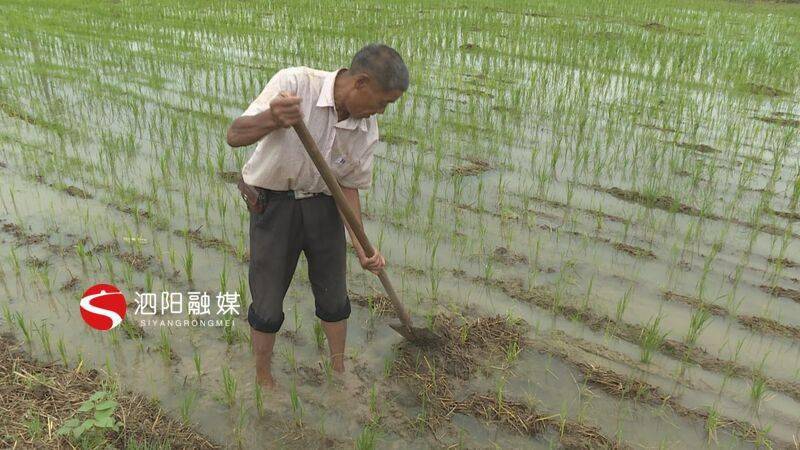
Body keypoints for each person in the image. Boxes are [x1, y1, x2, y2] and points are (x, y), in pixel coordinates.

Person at [226, 44, 408, 388]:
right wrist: (273, 118)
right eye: (383, 102)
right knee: (266, 301)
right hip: (274, 204)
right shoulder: (295, 85)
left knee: (334, 295)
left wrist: (361, 245)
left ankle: (340, 370)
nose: (381, 112)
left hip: (324, 204)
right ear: (361, 83)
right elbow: (235, 135)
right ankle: (263, 378)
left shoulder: (364, 129)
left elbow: (347, 186)